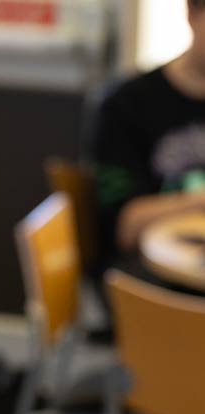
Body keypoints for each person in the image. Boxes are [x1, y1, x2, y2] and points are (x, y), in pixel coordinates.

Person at [88, 0, 205, 270]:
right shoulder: (125, 105)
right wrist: (198, 202)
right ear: (191, 13)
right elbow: (124, 229)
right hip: (146, 278)